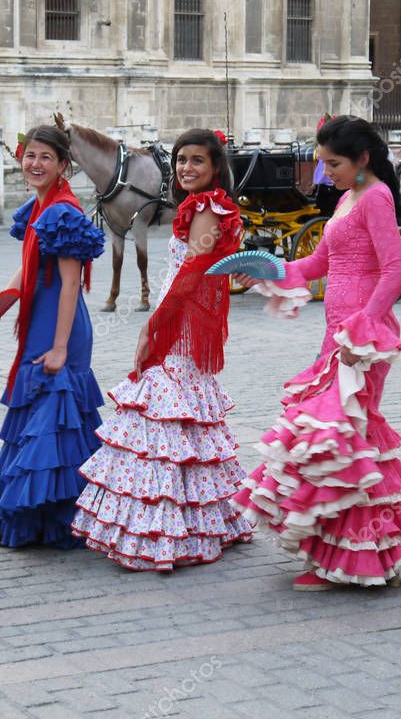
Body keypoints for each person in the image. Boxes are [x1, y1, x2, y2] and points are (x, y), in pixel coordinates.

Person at [233, 116, 401, 590]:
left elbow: (395, 271)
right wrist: (268, 270)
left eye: (334, 164)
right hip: (337, 336)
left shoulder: (378, 196)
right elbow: (320, 263)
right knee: (342, 443)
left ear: (363, 159)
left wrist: (364, 324)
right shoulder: (348, 198)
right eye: (322, 163)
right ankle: (350, 553)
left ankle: (350, 556)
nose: (326, 173)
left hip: (363, 341)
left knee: (342, 439)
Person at [72, 129, 253, 571]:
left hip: (181, 325)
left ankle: (167, 529)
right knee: (182, 419)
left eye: (198, 161)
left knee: (165, 415)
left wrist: (152, 329)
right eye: (181, 160)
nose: (187, 168)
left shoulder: (208, 208)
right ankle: (194, 519)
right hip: (182, 320)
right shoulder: (202, 207)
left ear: (215, 169)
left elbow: (189, 275)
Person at [0, 125, 106, 549]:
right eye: (30, 155)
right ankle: (43, 517)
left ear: (64, 165)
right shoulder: (39, 206)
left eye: (46, 157)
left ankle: (63, 519)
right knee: (37, 426)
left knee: (56, 420)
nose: (36, 163)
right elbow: (27, 269)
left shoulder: (63, 211)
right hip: (37, 321)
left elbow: (70, 284)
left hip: (60, 326)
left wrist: (61, 347)